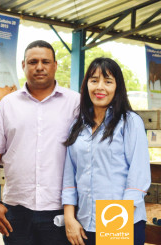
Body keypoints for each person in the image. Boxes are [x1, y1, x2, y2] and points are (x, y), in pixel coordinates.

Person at [0, 40, 80, 245]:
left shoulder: (75, 103)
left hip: (62, 208)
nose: (39, 67)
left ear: (55, 65)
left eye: (45, 61)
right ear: (23, 65)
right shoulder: (8, 104)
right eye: (33, 61)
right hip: (16, 210)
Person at [62, 57, 151, 245]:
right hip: (84, 223)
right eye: (94, 80)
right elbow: (69, 178)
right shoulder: (77, 127)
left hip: (119, 220)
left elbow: (138, 178)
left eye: (108, 81)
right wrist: (70, 218)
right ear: (86, 85)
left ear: (117, 87)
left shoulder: (129, 122)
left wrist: (113, 226)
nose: (100, 87)